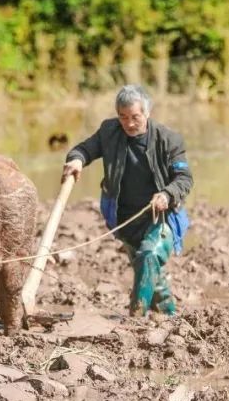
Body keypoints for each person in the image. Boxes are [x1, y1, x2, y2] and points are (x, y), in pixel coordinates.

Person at [62, 85, 192, 316]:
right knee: (151, 275)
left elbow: (184, 178)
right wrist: (77, 160)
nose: (129, 123)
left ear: (147, 113)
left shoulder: (168, 140)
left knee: (149, 256)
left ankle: (136, 318)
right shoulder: (109, 131)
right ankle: (170, 317)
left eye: (135, 117)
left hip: (160, 217)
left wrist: (167, 194)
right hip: (125, 219)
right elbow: (86, 149)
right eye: (123, 117)